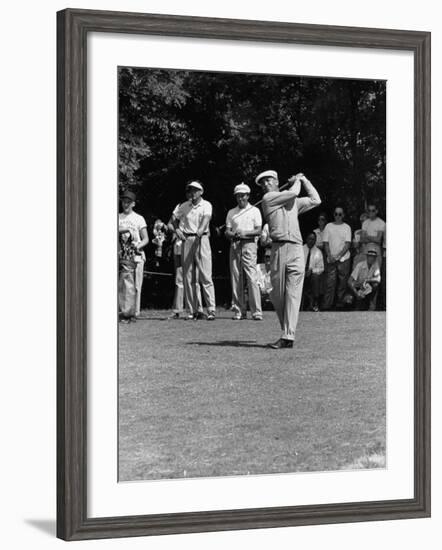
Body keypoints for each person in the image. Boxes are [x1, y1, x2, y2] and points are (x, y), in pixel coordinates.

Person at [256, 169, 321, 349]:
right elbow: (293, 192)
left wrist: (304, 179)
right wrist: (297, 181)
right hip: (278, 249)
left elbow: (316, 199)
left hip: (296, 248)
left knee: (293, 294)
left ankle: (288, 336)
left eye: (268, 181)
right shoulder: (268, 199)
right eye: (262, 183)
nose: (265, 185)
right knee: (276, 295)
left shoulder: (294, 202)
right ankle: (286, 331)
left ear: (277, 181)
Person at [174, 180, 216, 320]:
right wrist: (177, 229)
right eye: (190, 191)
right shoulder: (184, 206)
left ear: (201, 192)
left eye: (194, 190)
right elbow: (173, 219)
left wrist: (201, 230)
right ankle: (192, 310)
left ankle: (211, 309)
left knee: (205, 275)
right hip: (187, 239)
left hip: (202, 239)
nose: (192, 193)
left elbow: (206, 219)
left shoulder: (206, 204)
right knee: (188, 276)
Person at [225, 183, 263, 320]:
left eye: (243, 195)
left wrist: (244, 233)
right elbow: (227, 231)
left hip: (249, 245)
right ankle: (239, 310)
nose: (240, 198)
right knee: (236, 278)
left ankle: (256, 312)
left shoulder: (255, 211)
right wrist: (232, 234)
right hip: (235, 245)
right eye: (238, 196)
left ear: (248, 196)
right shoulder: (231, 212)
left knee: (252, 278)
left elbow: (258, 230)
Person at [167, 200, 204, 319]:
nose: (190, 195)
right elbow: (170, 224)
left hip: (194, 244)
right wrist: (177, 231)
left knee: (196, 277)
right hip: (179, 245)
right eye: (188, 192)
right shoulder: (180, 207)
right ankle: (178, 309)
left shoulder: (200, 207)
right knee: (180, 278)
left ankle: (198, 309)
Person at [118, 190, 149, 317]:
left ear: (133, 204)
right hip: (121, 255)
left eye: (128, 202)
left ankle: (134, 312)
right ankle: (123, 311)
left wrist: (138, 246)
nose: (125, 204)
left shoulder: (139, 218)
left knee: (136, 285)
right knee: (122, 285)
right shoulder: (117, 217)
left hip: (136, 255)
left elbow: (146, 238)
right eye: (124, 201)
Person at [322, 206, 352, 310]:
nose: (338, 216)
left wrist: (338, 256)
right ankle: (327, 305)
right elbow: (325, 243)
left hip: (343, 259)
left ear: (343, 215)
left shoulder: (347, 227)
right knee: (330, 283)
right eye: (336, 214)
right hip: (331, 259)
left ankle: (340, 305)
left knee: (342, 284)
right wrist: (330, 255)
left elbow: (347, 244)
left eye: (340, 214)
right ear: (333, 215)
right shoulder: (328, 226)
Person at [118, 228, 139, 323]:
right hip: (122, 271)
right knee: (123, 292)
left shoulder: (132, 246)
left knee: (130, 292)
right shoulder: (118, 246)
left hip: (130, 270)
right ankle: (123, 314)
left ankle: (130, 313)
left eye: (126, 234)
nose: (125, 236)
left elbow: (137, 256)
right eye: (123, 234)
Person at [302, 232, 324, 311]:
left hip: (312, 275)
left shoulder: (318, 252)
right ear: (306, 239)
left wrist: (312, 271)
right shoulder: (300, 250)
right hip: (301, 274)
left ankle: (315, 302)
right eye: (310, 239)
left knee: (315, 277)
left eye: (313, 239)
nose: (311, 241)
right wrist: (302, 272)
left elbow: (321, 268)